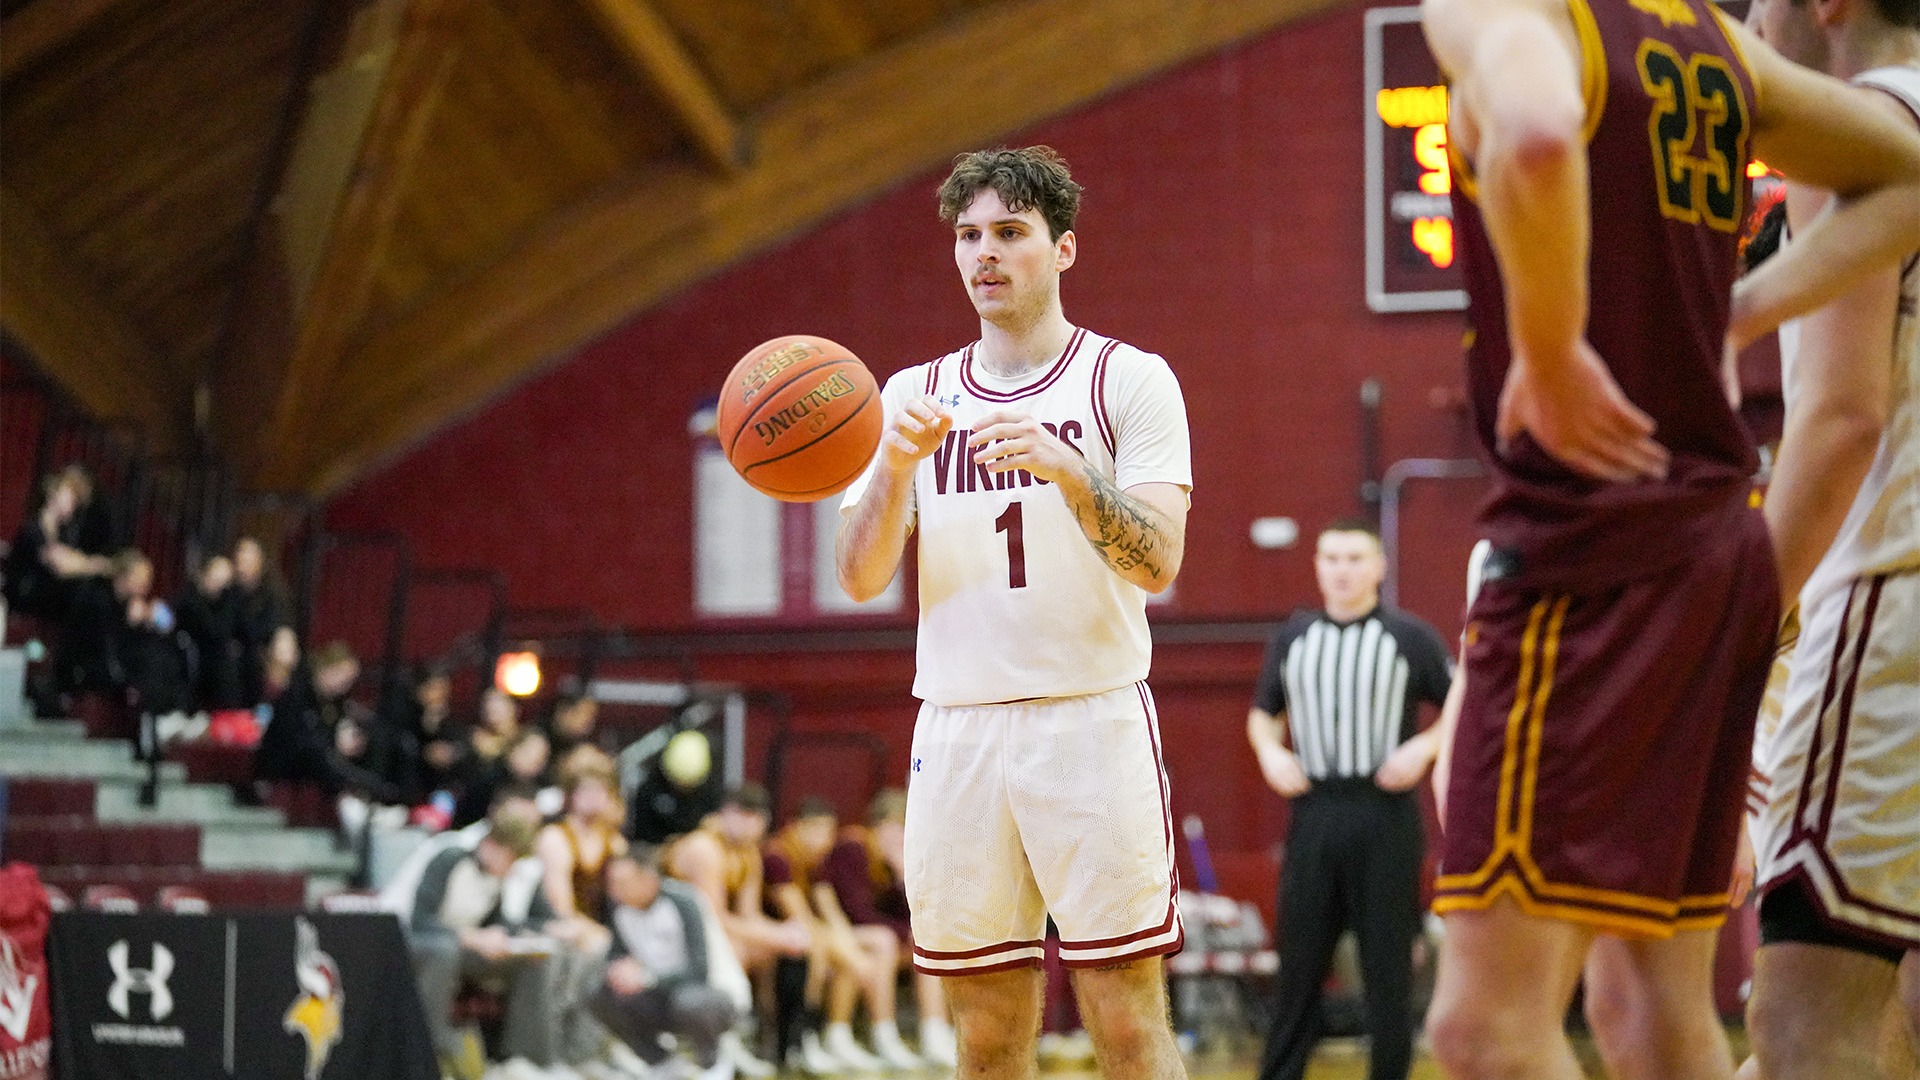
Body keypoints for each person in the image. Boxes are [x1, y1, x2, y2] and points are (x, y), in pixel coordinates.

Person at [1417, 0, 1920, 1075]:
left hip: (1583, 555)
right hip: (1717, 549)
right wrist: (1738, 310)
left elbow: (1543, 131)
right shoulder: (1715, 42)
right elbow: (1909, 172)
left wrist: (1548, 348)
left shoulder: (1510, 12)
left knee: (1482, 1032)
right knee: (1652, 1011)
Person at [834, 145, 1192, 1079]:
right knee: (987, 1036)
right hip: (957, 732)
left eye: (1009, 233)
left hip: (1091, 719)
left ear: (1063, 249)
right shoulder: (911, 395)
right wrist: (897, 471)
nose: (983, 254)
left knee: (1124, 1023)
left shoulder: (1129, 379)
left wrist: (1074, 473)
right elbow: (860, 575)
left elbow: (1157, 560)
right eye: (967, 236)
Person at [1737, 0, 1920, 1076]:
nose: (1749, 22)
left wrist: (1734, 628)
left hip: (1894, 597)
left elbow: (1842, 417)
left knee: (1807, 1023)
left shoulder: (1852, 126)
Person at [1246, 521, 1452, 1080]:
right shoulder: (1293, 639)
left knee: (1387, 974)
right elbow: (1263, 713)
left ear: (1379, 566)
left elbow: (1463, 705)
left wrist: (1425, 749)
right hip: (1313, 814)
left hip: (1384, 814)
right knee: (1298, 971)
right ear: (1316, 565)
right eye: (1331, 557)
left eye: (1355, 558)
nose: (1342, 569)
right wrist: (1271, 754)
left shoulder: (1410, 637)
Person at [402, 801, 563, 1080]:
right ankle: (431, 1053)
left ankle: (521, 1057)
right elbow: (419, 919)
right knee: (444, 951)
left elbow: (494, 922)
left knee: (534, 959)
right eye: (510, 859)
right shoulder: (449, 859)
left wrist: (517, 936)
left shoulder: (497, 877)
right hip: (417, 944)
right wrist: (471, 938)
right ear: (491, 845)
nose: (511, 868)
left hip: (460, 949)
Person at [763, 797, 911, 1071]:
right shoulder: (778, 856)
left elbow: (830, 909)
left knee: (845, 954)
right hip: (776, 939)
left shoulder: (817, 862)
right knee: (821, 952)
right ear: (796, 827)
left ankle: (836, 1036)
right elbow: (800, 916)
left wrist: (842, 942)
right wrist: (843, 947)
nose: (824, 839)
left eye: (829, 831)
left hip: (800, 934)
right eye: (817, 830)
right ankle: (799, 1041)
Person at [822, 788, 958, 1068]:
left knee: (928, 945)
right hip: (837, 931)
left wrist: (902, 877)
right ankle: (883, 1033)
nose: (900, 836)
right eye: (895, 827)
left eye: (905, 828)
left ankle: (934, 1031)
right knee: (884, 940)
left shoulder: (897, 859)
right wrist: (902, 931)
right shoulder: (854, 847)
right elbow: (857, 912)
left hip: (875, 937)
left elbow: (917, 916)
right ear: (877, 824)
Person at [590, 847, 740, 1080]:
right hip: (660, 996)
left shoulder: (684, 902)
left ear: (649, 879)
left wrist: (646, 978)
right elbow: (615, 957)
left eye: (622, 882)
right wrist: (618, 972)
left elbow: (699, 969)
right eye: (611, 883)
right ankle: (662, 1062)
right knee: (598, 994)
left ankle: (714, 1062)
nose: (614, 890)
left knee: (690, 1001)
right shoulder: (620, 910)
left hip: (713, 994)